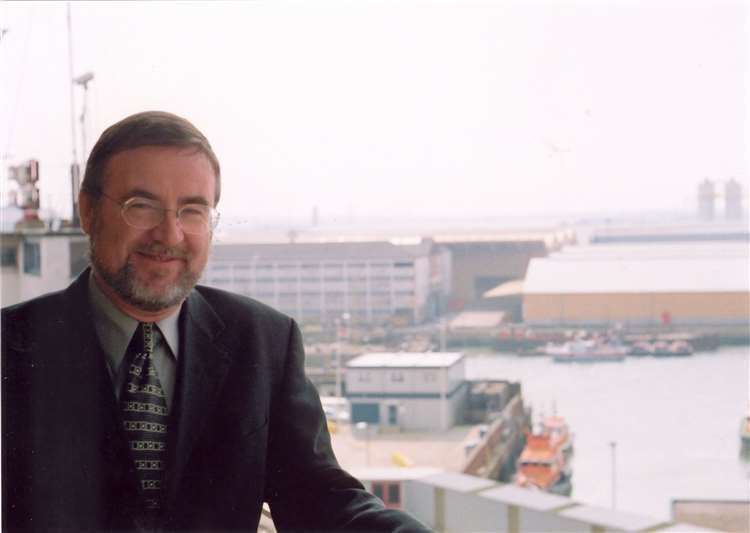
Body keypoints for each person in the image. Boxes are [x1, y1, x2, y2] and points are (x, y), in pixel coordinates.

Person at [1, 111, 430, 532]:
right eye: (142, 206)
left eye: (192, 211)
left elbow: (319, 498)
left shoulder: (263, 343)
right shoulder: (11, 348)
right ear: (89, 212)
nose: (169, 235)